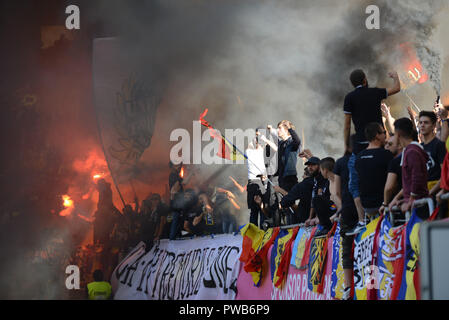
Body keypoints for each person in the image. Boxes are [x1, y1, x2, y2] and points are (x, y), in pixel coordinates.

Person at [343, 69, 400, 235]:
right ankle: (388, 212)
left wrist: (346, 144)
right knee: (386, 176)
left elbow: (347, 125)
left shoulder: (350, 98)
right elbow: (396, 88)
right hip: (379, 141)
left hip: (360, 146)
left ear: (353, 83)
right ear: (365, 79)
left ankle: (362, 220)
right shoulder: (375, 92)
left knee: (355, 183)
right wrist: (396, 77)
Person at [347, 122, 393, 236]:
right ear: (377, 135)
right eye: (384, 132)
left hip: (366, 207)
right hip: (385, 206)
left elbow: (354, 185)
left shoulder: (358, 158)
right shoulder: (386, 155)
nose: (385, 135)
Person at [333, 135, 359, 300]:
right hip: (368, 209)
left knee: (347, 251)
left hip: (348, 212)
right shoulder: (362, 158)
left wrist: (342, 208)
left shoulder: (341, 162)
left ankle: (349, 288)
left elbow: (335, 193)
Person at [391, 118, 429, 219]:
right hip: (416, 203)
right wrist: (405, 199)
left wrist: (411, 199)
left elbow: (417, 177)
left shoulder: (412, 151)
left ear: (398, 134)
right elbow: (410, 180)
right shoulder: (409, 150)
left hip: (419, 205)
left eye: (394, 134)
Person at [419, 111, 446, 197]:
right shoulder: (419, 148)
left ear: (433, 126)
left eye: (426, 122)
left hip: (436, 193)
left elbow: (444, 174)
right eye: (420, 122)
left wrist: (431, 192)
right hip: (421, 191)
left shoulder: (439, 145)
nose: (422, 125)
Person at [269, 120, 301, 192]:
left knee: (288, 200)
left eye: (280, 128)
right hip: (281, 177)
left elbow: (297, 141)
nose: (278, 130)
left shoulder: (292, 142)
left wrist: (290, 128)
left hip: (289, 178)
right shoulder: (281, 144)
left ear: (286, 130)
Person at [310, 157, 337, 238]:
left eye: (321, 170)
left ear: (325, 170)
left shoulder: (338, 180)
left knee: (317, 199)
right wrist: (318, 217)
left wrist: (337, 214)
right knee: (317, 199)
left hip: (341, 209)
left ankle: (327, 226)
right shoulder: (328, 182)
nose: (320, 173)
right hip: (334, 208)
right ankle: (326, 226)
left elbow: (341, 200)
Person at [245, 135, 268, 228]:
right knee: (263, 209)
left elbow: (249, 145)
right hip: (261, 182)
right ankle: (263, 232)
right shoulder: (266, 154)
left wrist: (254, 139)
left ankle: (253, 234)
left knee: (253, 212)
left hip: (252, 183)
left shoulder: (249, 152)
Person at [381, 134, 404, 214]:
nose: (386, 146)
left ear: (400, 146)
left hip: (399, 205)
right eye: (386, 143)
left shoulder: (394, 162)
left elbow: (389, 187)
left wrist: (385, 204)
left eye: (390, 144)